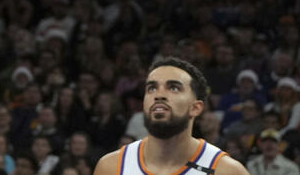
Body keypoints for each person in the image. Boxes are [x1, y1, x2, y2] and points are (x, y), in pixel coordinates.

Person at [91, 57, 248, 175]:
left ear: (195, 108)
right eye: (152, 88)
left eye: (173, 88)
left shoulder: (226, 171)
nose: (159, 95)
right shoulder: (112, 167)